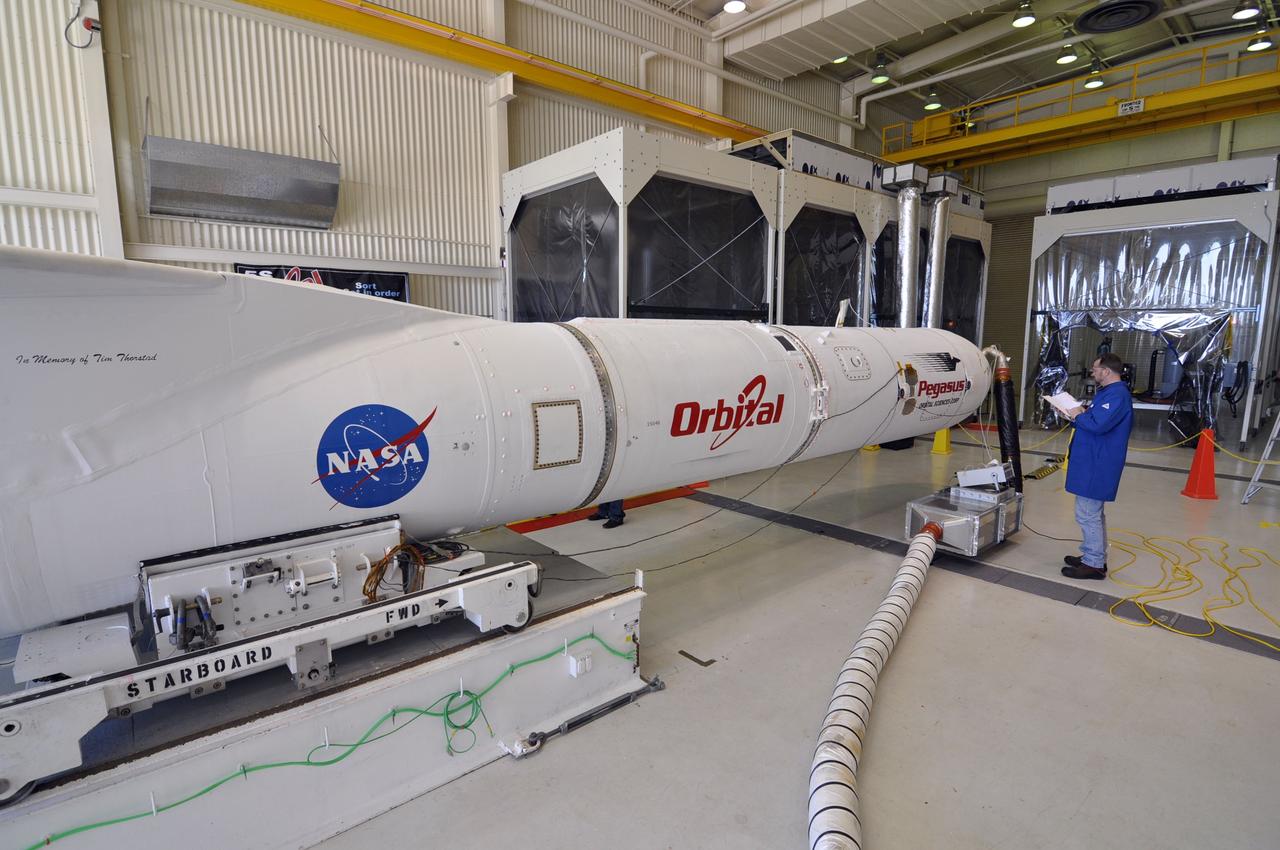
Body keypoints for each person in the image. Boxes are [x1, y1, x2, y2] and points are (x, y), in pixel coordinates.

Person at [1060, 353, 1133, 580]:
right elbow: (1096, 418)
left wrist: (1077, 415)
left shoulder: (1117, 395)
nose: (1092, 372)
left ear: (1106, 371)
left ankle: (1093, 564)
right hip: (1094, 458)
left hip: (1098, 462)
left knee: (1087, 514)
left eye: (1095, 368)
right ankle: (1093, 556)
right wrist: (1076, 414)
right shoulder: (1109, 394)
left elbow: (1098, 425)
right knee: (1093, 512)